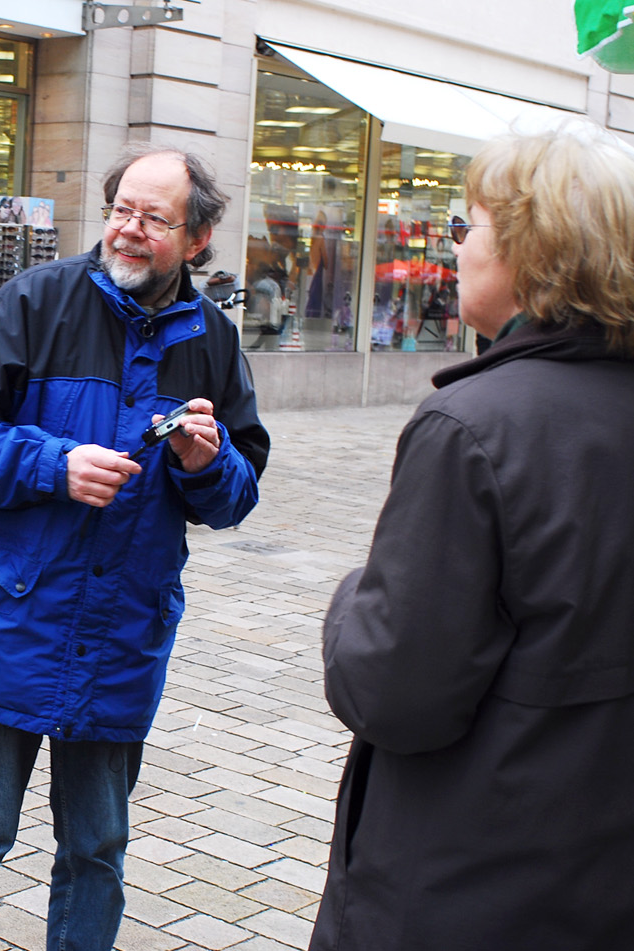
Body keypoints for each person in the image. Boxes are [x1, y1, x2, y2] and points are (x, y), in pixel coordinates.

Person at [0, 146, 269, 951]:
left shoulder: (211, 337)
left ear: (198, 238)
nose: (129, 232)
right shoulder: (36, 299)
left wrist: (207, 465)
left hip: (120, 630)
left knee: (96, 850)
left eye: (152, 219)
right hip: (10, 616)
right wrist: (52, 463)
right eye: (120, 212)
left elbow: (240, 489)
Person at [310, 124, 634, 950]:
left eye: (468, 225)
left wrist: (352, 599)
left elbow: (393, 691)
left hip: (466, 877)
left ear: (533, 251)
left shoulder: (475, 426)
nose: (455, 249)